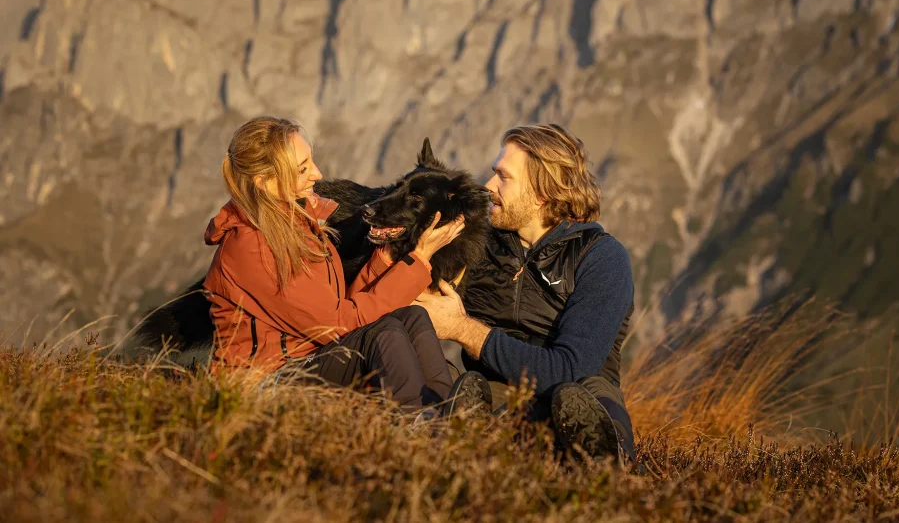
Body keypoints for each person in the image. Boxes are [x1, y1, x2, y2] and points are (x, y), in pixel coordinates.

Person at [202, 115, 489, 413]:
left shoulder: (295, 225)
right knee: (382, 333)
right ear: (264, 183)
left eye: (311, 162)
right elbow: (338, 323)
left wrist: (385, 259)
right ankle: (419, 420)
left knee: (412, 317)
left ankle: (446, 409)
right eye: (302, 169)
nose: (317, 174)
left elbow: (342, 304)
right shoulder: (254, 246)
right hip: (264, 382)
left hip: (309, 358)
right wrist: (417, 261)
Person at [416, 124, 636, 462]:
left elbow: (570, 368)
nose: (488, 186)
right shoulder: (479, 246)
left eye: (503, 177)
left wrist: (463, 330)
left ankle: (604, 460)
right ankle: (480, 437)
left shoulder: (601, 258)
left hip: (576, 392)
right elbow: (415, 302)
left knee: (578, 394)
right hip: (498, 391)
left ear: (542, 191)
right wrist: (420, 255)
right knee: (454, 382)